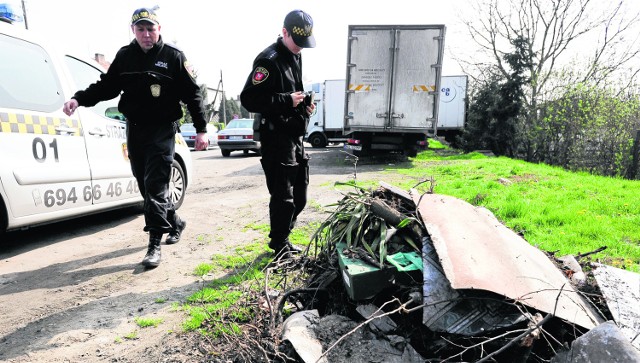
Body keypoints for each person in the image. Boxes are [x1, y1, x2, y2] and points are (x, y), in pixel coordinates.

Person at [63, 7, 208, 268]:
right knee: (144, 184)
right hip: (135, 128)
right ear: (133, 31)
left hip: (162, 129)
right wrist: (78, 98)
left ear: (159, 29)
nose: (146, 34)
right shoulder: (125, 56)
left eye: (150, 29)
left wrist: (201, 130)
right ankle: (175, 221)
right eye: (140, 29)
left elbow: (193, 95)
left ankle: (154, 245)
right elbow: (106, 87)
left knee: (155, 186)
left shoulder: (174, 57)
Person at [240, 9, 316, 257]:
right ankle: (279, 244)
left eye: (305, 43)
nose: (301, 48)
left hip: (295, 136)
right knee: (283, 196)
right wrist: (286, 100)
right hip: (275, 139)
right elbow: (249, 99)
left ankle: (283, 234)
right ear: (284, 32)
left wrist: (304, 106)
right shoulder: (268, 60)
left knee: (300, 195)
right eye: (298, 42)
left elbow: (294, 93)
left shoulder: (296, 55)